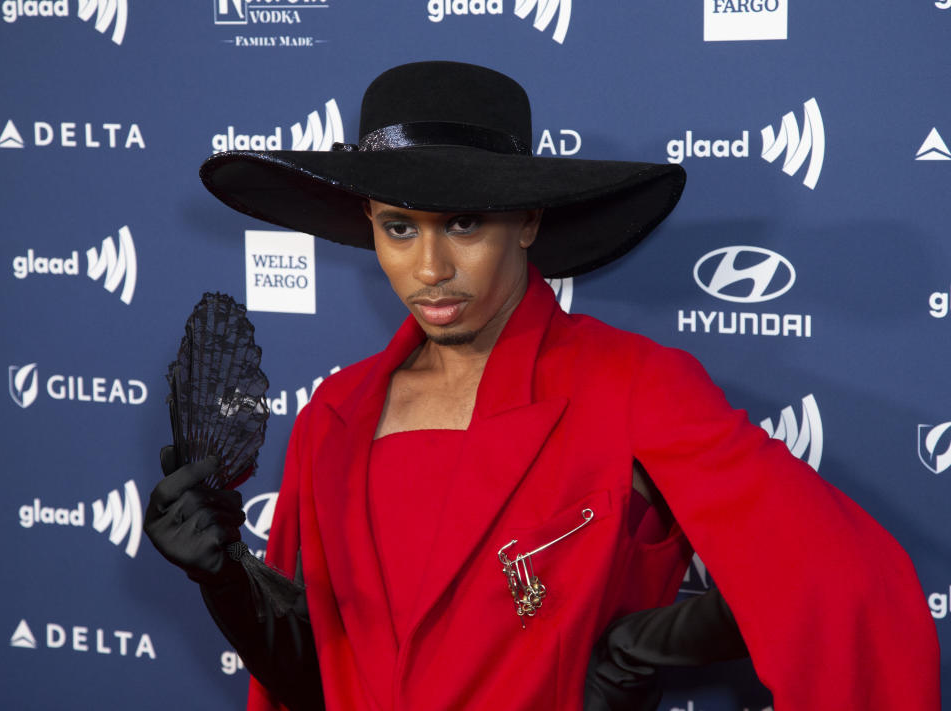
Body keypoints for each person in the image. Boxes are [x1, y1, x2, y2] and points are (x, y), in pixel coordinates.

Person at [144, 61, 940, 710]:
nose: (430, 270)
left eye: (463, 224)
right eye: (398, 228)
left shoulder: (631, 385)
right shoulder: (334, 414)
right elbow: (317, 681)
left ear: (526, 220)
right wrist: (224, 579)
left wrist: (633, 652)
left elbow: (838, 579)